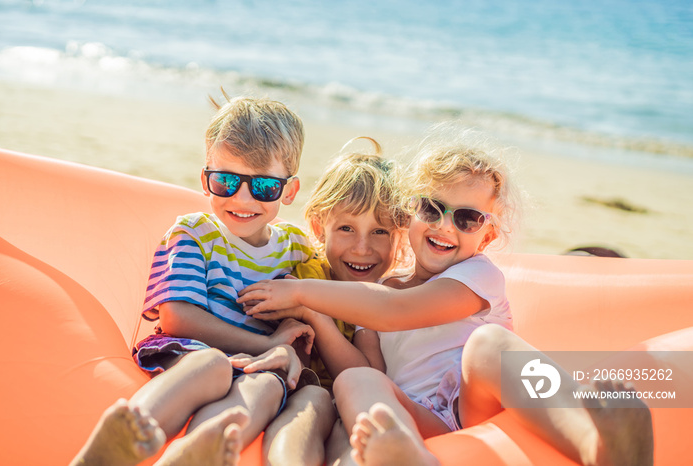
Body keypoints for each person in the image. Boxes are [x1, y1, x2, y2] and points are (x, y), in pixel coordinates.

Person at [238, 124, 653, 466]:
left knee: (488, 345)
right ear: (409, 212)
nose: (445, 227)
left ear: (488, 234)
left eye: (467, 218)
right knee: (356, 379)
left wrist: (302, 290)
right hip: (422, 417)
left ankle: (594, 443)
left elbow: (396, 312)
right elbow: (370, 369)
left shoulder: (475, 276)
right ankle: (409, 456)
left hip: (479, 406)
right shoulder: (382, 290)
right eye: (431, 209)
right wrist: (317, 315)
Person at [72, 93, 325, 466]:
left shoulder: (298, 248)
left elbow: (314, 319)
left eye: (263, 187)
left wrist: (289, 333)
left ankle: (197, 451)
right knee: (212, 366)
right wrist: (267, 343)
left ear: (289, 191)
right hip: (192, 352)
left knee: (269, 385)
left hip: (258, 366)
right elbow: (177, 317)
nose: (242, 199)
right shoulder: (194, 233)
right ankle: (129, 433)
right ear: (205, 181)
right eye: (226, 181)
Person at [262, 137, 410, 465]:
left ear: (399, 234)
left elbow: (368, 375)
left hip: (350, 408)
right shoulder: (304, 276)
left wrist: (316, 316)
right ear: (319, 226)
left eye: (380, 232)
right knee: (311, 407)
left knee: (352, 432)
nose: (362, 248)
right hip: (304, 397)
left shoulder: (383, 298)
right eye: (346, 228)